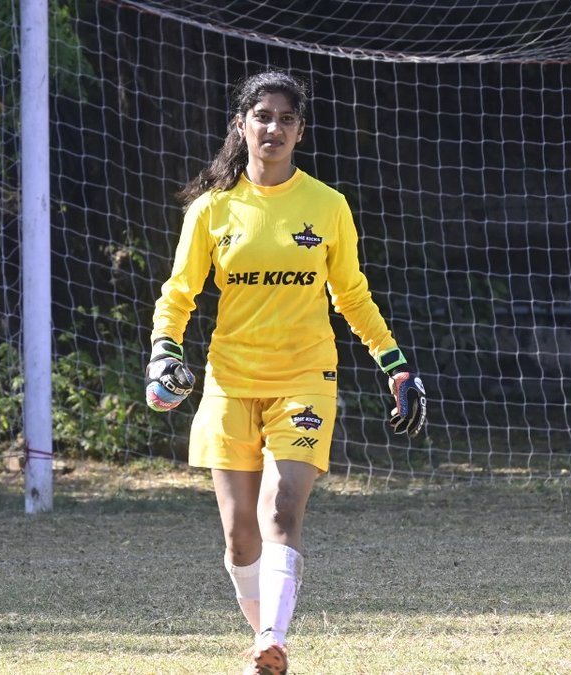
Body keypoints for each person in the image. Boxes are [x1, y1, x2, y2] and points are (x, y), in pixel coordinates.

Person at [145, 69, 427, 675]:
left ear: (301, 131)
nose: (273, 128)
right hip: (229, 381)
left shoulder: (327, 206)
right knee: (240, 537)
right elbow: (180, 291)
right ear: (241, 125)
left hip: (305, 377)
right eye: (263, 116)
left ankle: (271, 639)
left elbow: (351, 294)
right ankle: (266, 639)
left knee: (282, 508)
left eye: (286, 119)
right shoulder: (210, 210)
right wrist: (164, 350)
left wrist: (395, 365)